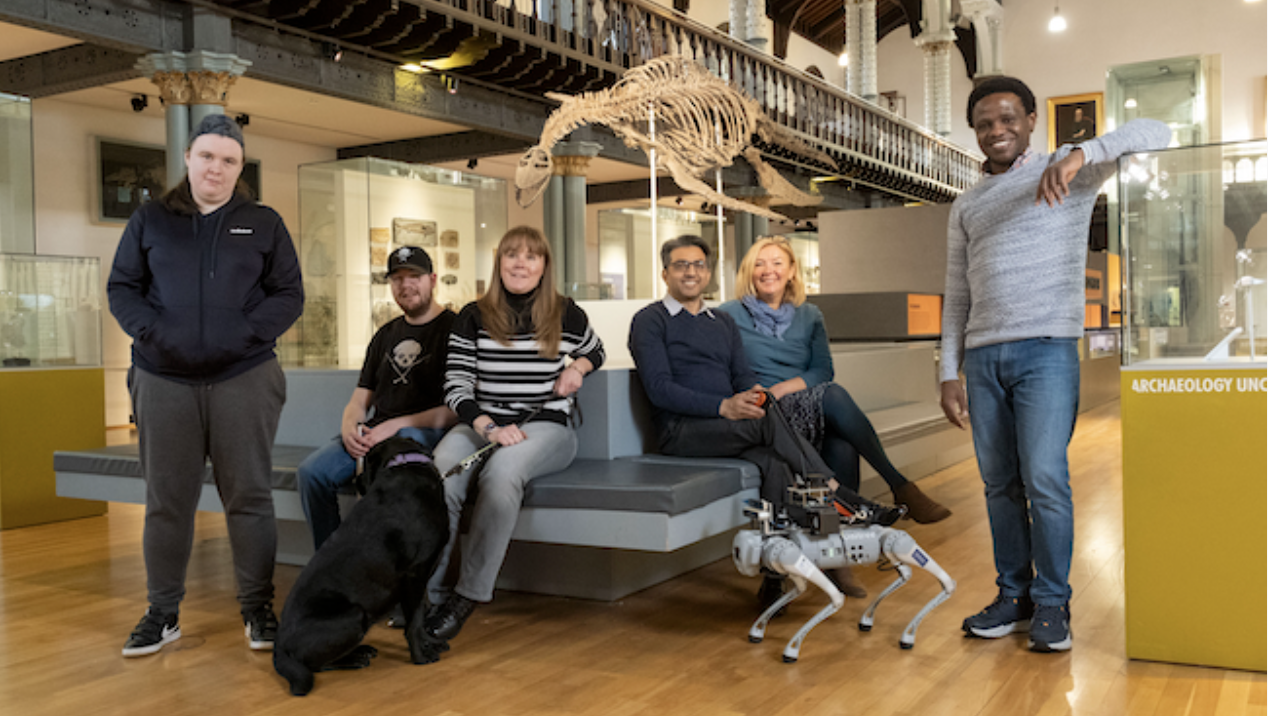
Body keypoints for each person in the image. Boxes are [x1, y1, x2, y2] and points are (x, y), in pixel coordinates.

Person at [941, 76, 1169, 653]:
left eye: (1008, 119)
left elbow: (1158, 132)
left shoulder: (1072, 173)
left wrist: (1081, 154)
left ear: (1030, 120)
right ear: (975, 131)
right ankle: (1012, 595)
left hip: (1046, 350)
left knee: (1045, 478)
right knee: (999, 485)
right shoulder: (966, 205)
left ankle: (1052, 601)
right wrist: (949, 369)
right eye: (986, 123)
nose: (997, 131)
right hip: (983, 356)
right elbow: (956, 294)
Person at [107, 114, 304, 657]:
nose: (216, 167)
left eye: (229, 160)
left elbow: (288, 293)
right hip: (161, 377)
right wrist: (153, 333)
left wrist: (243, 333)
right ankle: (162, 612)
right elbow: (123, 287)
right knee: (167, 500)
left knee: (250, 496)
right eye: (208, 156)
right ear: (189, 158)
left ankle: (258, 610)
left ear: (239, 168)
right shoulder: (150, 220)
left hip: (244, 376)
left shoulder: (262, 222)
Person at [629, 235, 904, 607]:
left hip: (723, 428)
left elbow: (743, 377)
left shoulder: (722, 322)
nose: (690, 272)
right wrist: (724, 406)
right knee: (768, 419)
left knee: (775, 461)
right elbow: (660, 390)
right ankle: (839, 495)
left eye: (698, 265)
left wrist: (751, 397)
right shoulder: (650, 321)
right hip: (682, 431)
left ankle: (774, 578)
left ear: (708, 273)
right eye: (681, 265)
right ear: (665, 273)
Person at [423, 226, 605, 645]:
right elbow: (456, 387)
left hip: (547, 427)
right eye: (511, 255)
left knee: (501, 475)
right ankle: (427, 594)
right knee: (443, 474)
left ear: (544, 266)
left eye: (531, 256)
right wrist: (488, 427)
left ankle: (467, 595)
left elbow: (595, 350)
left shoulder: (567, 313)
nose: (520, 263)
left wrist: (577, 369)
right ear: (499, 263)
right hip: (483, 424)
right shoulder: (472, 316)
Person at [717, 236, 951, 525]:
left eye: (778, 263)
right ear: (749, 272)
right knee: (834, 395)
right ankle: (899, 485)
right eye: (760, 264)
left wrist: (782, 388)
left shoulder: (810, 315)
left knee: (842, 444)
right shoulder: (728, 315)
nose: (769, 270)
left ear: (791, 271)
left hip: (800, 406)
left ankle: (840, 533)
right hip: (765, 414)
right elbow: (719, 368)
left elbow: (822, 370)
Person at [297, 246, 457, 552]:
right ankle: (332, 562)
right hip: (378, 433)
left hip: (424, 433)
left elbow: (456, 410)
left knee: (393, 461)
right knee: (312, 473)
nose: (405, 285)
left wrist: (396, 426)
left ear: (433, 279)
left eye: (414, 276)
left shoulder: (455, 329)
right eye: (397, 278)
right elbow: (359, 400)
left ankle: (380, 563)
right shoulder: (385, 334)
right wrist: (349, 426)